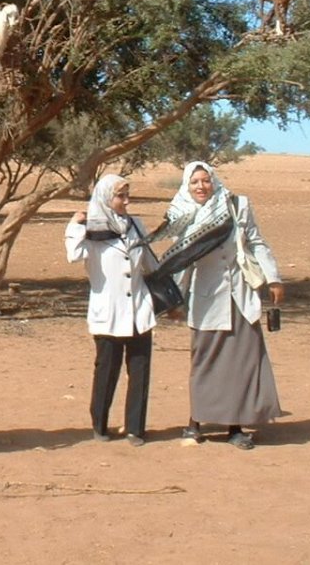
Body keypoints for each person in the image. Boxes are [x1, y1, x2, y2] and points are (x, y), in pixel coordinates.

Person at [162, 160, 285, 450]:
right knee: (205, 361)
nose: (201, 186)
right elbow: (181, 262)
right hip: (207, 299)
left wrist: (274, 279)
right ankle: (195, 423)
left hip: (240, 297)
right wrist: (175, 300)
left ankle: (235, 427)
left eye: (205, 180)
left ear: (213, 180)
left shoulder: (237, 205)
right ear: (186, 185)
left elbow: (256, 243)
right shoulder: (182, 214)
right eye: (195, 182)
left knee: (241, 362)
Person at [64, 174, 156, 446]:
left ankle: (135, 429)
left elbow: (149, 262)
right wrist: (74, 226)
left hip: (139, 309)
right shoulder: (91, 230)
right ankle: (100, 424)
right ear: (106, 198)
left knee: (139, 370)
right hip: (108, 312)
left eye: (128, 195)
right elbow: (73, 254)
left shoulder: (135, 225)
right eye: (120, 196)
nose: (126, 201)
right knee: (107, 369)